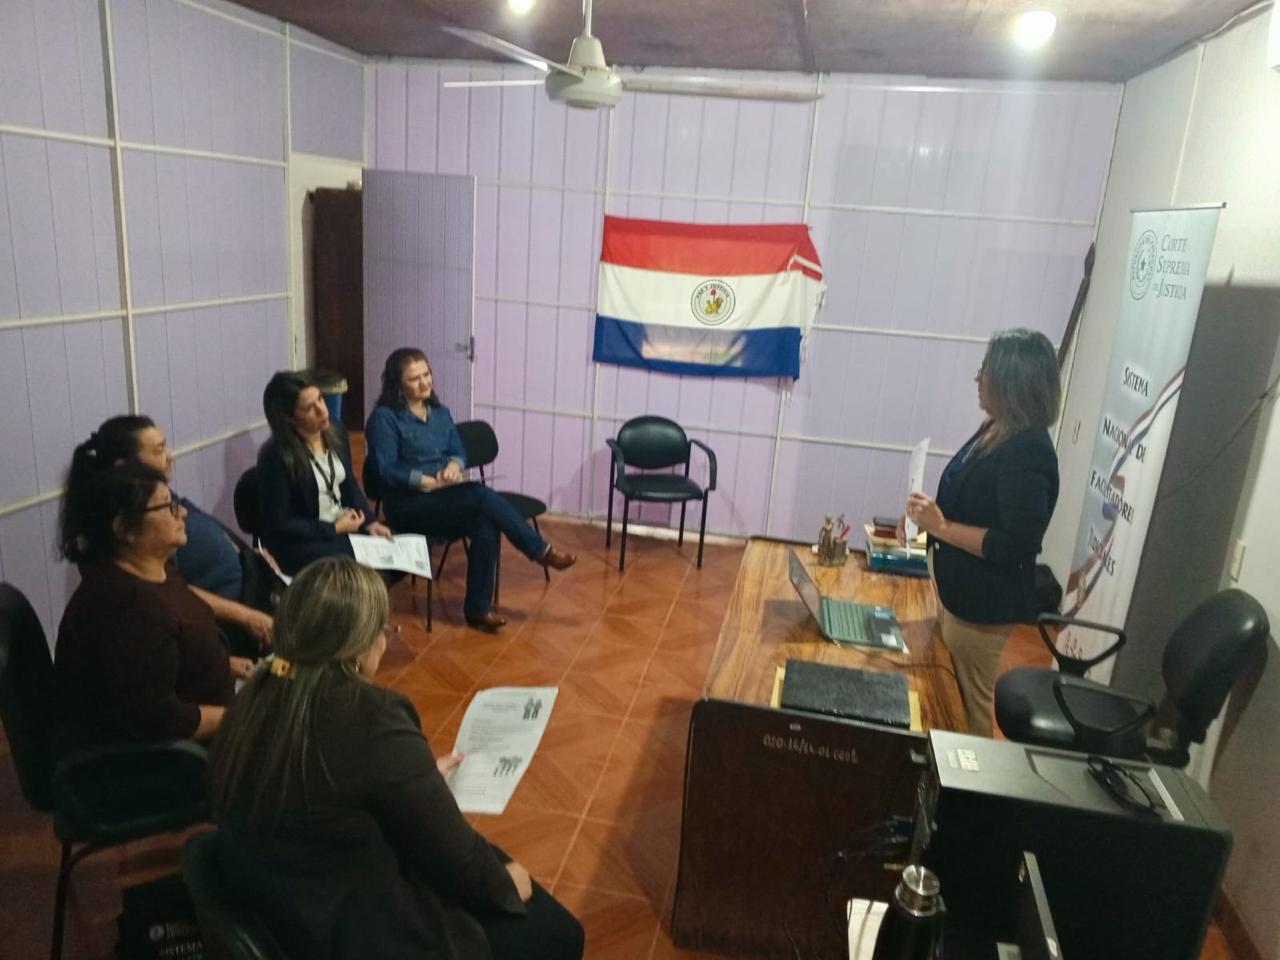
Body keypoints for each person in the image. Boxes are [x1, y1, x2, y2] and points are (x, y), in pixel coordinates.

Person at [208, 557, 584, 960]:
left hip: (283, 906)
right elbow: (456, 857)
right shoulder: (371, 715)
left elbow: (326, 781)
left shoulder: (255, 694)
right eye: (383, 631)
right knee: (559, 932)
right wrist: (506, 887)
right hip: (351, 931)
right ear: (361, 647)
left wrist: (417, 776)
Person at [900, 328, 1061, 737]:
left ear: (1010, 382)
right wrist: (927, 523)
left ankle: (965, 776)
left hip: (982, 607)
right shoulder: (996, 428)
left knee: (967, 711)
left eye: (985, 370)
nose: (978, 377)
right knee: (945, 695)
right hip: (956, 593)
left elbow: (1015, 545)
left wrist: (941, 526)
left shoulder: (1027, 451)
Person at [364, 348, 576, 631]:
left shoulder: (440, 413)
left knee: (485, 521)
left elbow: (458, 450)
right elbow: (384, 469)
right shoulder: (385, 418)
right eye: (414, 379)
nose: (424, 382)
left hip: (443, 498)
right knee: (478, 495)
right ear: (397, 385)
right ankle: (539, 550)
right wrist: (423, 480)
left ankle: (478, 610)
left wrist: (454, 465)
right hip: (409, 505)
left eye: (426, 374)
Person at [55, 463, 247, 750]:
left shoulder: (156, 570)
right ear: (124, 528)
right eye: (167, 506)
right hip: (187, 759)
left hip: (217, 707)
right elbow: (163, 721)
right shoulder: (129, 610)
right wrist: (245, 718)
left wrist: (224, 664)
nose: (182, 513)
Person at [64, 416, 274, 654]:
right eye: (159, 450)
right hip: (234, 622)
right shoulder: (141, 528)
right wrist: (246, 617)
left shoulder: (162, 499)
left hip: (252, 587)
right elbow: (173, 591)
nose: (170, 455)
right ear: (125, 466)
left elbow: (212, 529)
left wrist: (251, 555)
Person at [257, 370, 393, 575]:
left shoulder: (336, 430)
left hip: (341, 525)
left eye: (320, 398)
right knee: (366, 571)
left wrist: (370, 520)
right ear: (289, 418)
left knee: (390, 552)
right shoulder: (275, 457)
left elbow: (348, 484)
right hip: (304, 541)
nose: (322, 410)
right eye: (309, 408)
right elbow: (279, 524)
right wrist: (334, 528)